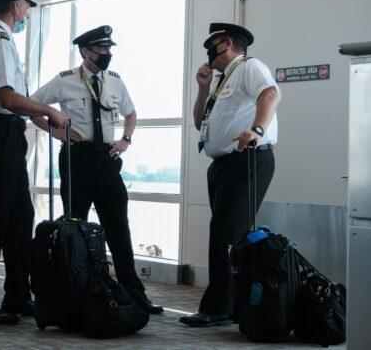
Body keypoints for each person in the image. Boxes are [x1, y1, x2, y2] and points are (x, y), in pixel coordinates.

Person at [30, 25, 163, 315]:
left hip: (107, 161)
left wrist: (126, 139)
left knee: (118, 228)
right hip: (77, 159)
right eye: (101, 50)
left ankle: (134, 294)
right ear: (84, 51)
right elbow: (33, 108)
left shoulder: (115, 81)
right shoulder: (64, 81)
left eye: (109, 49)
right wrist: (55, 133)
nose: (107, 54)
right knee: (76, 227)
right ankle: (80, 291)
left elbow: (131, 113)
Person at [0, 0, 68, 325]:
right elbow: (7, 99)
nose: (27, 14)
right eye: (26, 7)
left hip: (7, 133)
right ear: (16, 7)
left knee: (20, 219)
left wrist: (55, 126)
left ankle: (18, 295)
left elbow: (17, 103)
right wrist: (50, 110)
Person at [180, 23, 281, 327]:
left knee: (224, 233)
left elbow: (271, 93)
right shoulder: (222, 80)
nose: (208, 51)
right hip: (223, 165)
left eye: (211, 44)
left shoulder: (249, 66)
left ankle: (218, 308)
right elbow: (200, 123)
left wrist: (257, 129)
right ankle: (235, 305)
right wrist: (202, 87)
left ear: (226, 43)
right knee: (228, 234)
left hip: (246, 159)